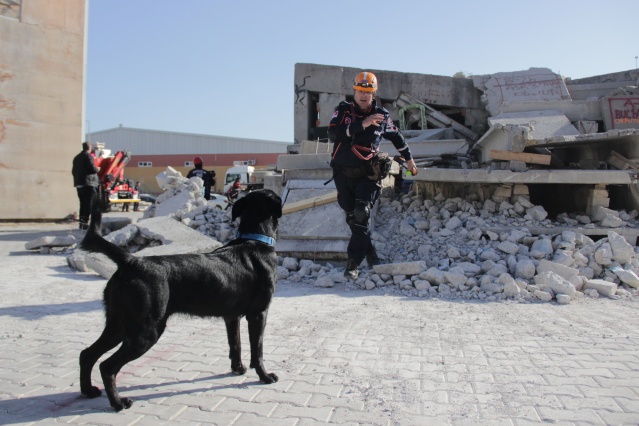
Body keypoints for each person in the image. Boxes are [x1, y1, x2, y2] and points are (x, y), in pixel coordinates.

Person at [328, 71, 418, 280]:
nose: (363, 96)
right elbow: (333, 134)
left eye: (367, 92)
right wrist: (363, 124)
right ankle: (370, 252)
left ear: (374, 93)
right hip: (342, 173)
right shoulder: (344, 111)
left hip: (368, 175)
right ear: (355, 91)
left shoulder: (382, 116)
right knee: (353, 219)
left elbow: (397, 137)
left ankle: (352, 264)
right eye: (360, 91)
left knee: (362, 213)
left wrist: (410, 160)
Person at [72, 141, 100, 230]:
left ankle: (82, 223)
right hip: (89, 183)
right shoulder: (88, 156)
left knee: (83, 204)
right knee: (89, 204)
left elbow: (73, 171)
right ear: (89, 148)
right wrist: (98, 169)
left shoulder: (76, 158)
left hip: (79, 184)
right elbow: (92, 169)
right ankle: (87, 224)